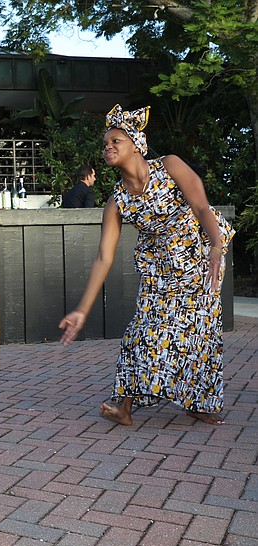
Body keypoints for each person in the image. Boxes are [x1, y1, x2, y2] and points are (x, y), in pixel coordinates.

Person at [59, 104, 235, 426]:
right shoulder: (117, 201)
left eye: (116, 141)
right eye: (105, 144)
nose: (108, 147)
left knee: (200, 331)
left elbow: (200, 205)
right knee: (143, 329)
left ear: (137, 143)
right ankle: (124, 407)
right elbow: (104, 256)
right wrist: (82, 309)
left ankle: (198, 402)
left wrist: (215, 245)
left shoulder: (169, 166)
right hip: (159, 266)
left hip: (199, 254)